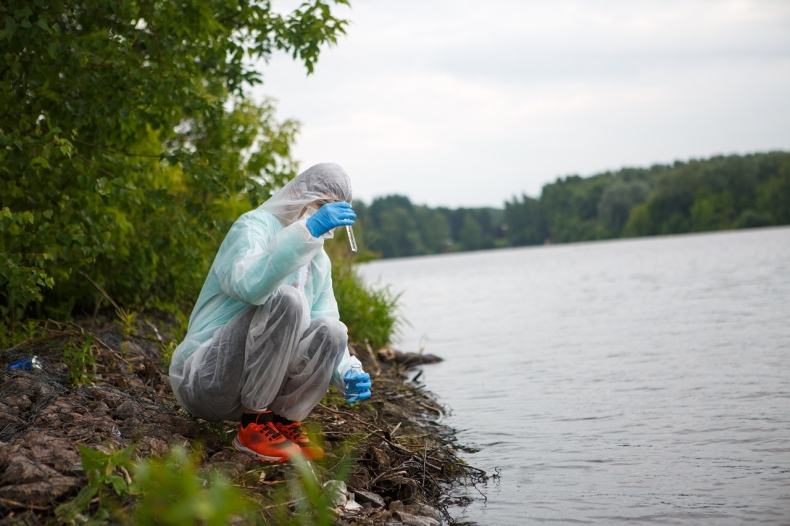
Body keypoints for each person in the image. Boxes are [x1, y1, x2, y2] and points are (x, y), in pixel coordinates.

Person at [168, 163, 372, 463]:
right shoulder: (253, 226)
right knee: (289, 300)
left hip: (257, 388)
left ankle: (285, 421)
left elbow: (323, 318)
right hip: (207, 377)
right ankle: (253, 426)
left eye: (333, 210)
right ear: (300, 194)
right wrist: (306, 232)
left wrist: (346, 371)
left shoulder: (318, 259)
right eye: (321, 205)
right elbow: (248, 285)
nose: (324, 218)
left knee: (333, 329)